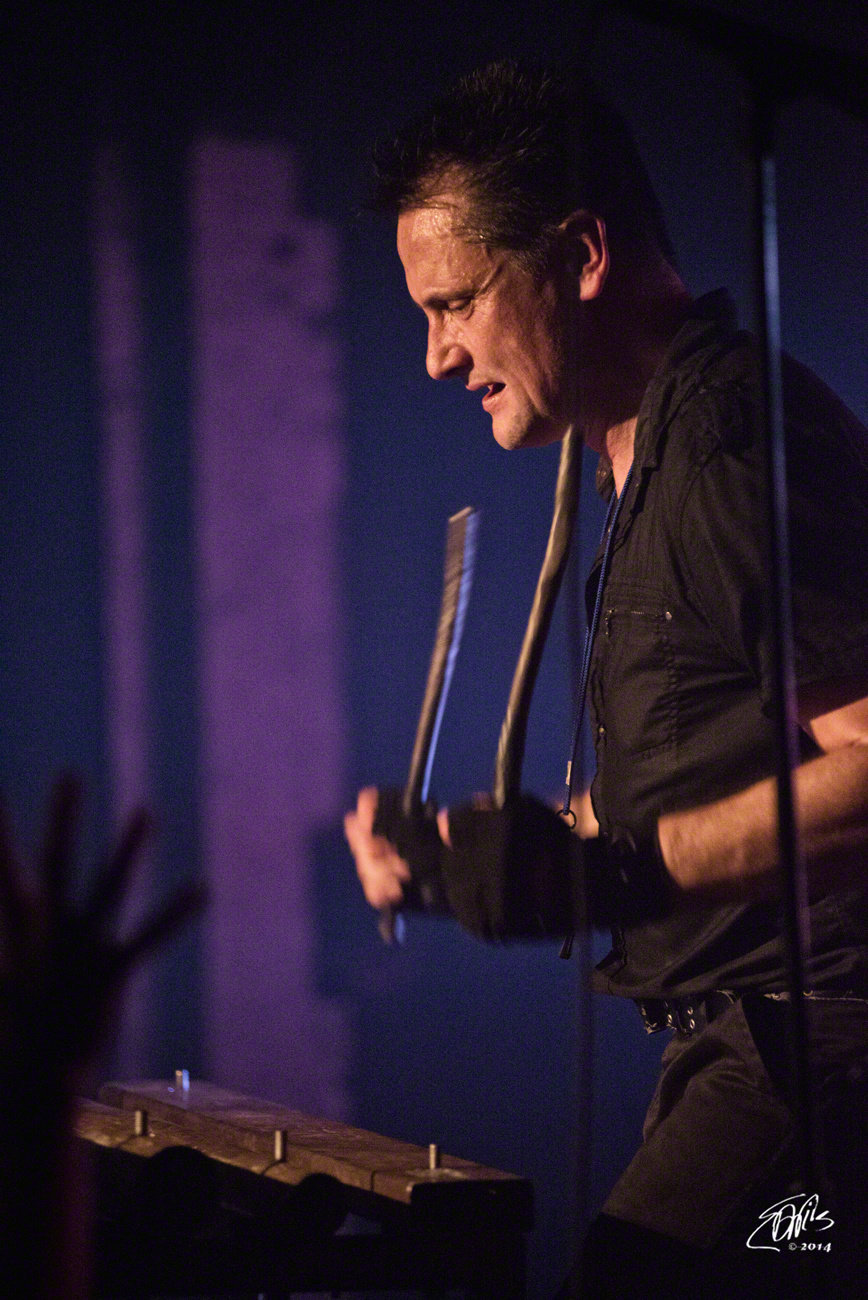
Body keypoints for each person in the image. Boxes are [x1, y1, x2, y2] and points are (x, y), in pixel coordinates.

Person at [343, 61, 868, 1297]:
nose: (436, 357)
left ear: (580, 254)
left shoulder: (728, 445)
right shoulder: (638, 459)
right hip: (756, 1050)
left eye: (456, 303)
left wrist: (617, 871)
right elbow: (713, 773)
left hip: (821, 1055)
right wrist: (478, 856)